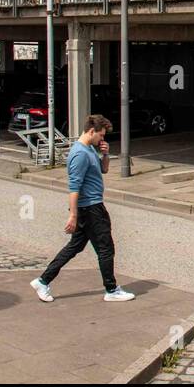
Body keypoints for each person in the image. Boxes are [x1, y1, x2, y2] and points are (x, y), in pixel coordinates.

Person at [31, 114, 135, 302]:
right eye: (101, 136)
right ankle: (111, 290)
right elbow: (74, 187)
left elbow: (103, 170)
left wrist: (105, 153)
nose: (102, 139)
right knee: (105, 249)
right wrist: (73, 215)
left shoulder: (89, 150)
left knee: (74, 247)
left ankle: (43, 281)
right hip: (91, 208)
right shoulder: (79, 154)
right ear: (91, 131)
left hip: (90, 208)